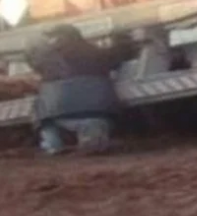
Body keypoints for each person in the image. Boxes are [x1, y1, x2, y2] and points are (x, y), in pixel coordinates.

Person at [26, 24, 140, 155]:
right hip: (96, 112)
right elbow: (119, 54)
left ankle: (52, 145)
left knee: (43, 115)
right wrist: (122, 39)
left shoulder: (48, 58)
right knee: (94, 133)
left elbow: (32, 54)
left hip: (55, 113)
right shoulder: (96, 52)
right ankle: (91, 141)